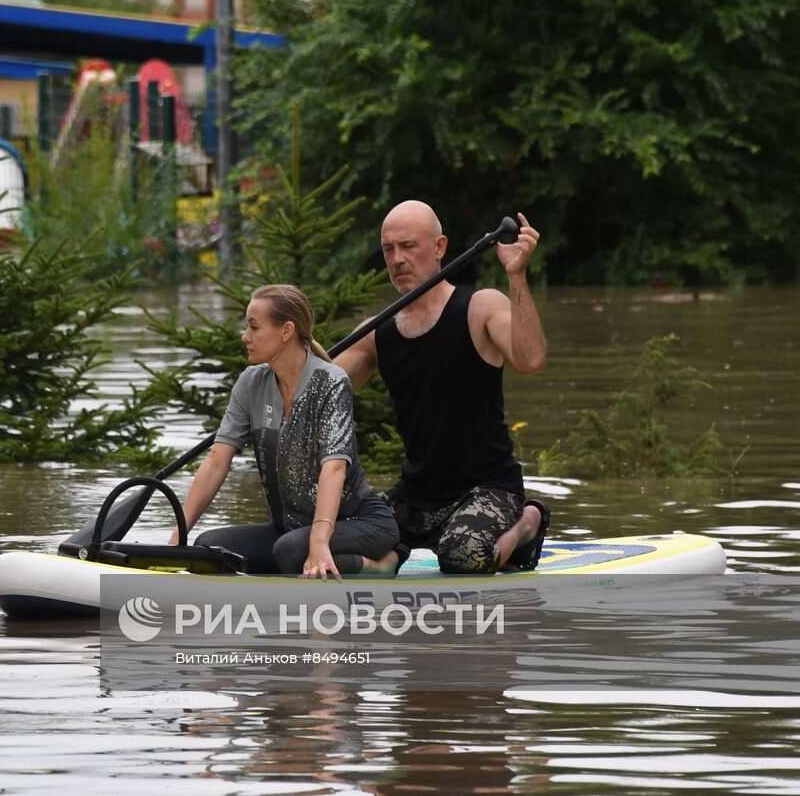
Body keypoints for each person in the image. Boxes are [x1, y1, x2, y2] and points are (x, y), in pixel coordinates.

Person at [334, 201, 549, 574]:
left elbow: (530, 360)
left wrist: (516, 276)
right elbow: (319, 389)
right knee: (340, 532)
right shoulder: (377, 332)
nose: (398, 259)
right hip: (416, 496)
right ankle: (389, 558)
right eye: (389, 249)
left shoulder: (480, 307)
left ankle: (528, 523)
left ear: (439, 247)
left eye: (408, 246)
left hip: (489, 490)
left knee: (461, 556)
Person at [169, 284, 402, 579]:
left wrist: (318, 541)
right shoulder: (251, 382)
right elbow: (217, 459)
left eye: (254, 327)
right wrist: (179, 535)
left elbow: (334, 469)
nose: (245, 336)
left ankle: (384, 564)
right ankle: (301, 559)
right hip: (291, 529)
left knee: (290, 550)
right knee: (209, 548)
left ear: (286, 331)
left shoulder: (330, 381)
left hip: (361, 522)